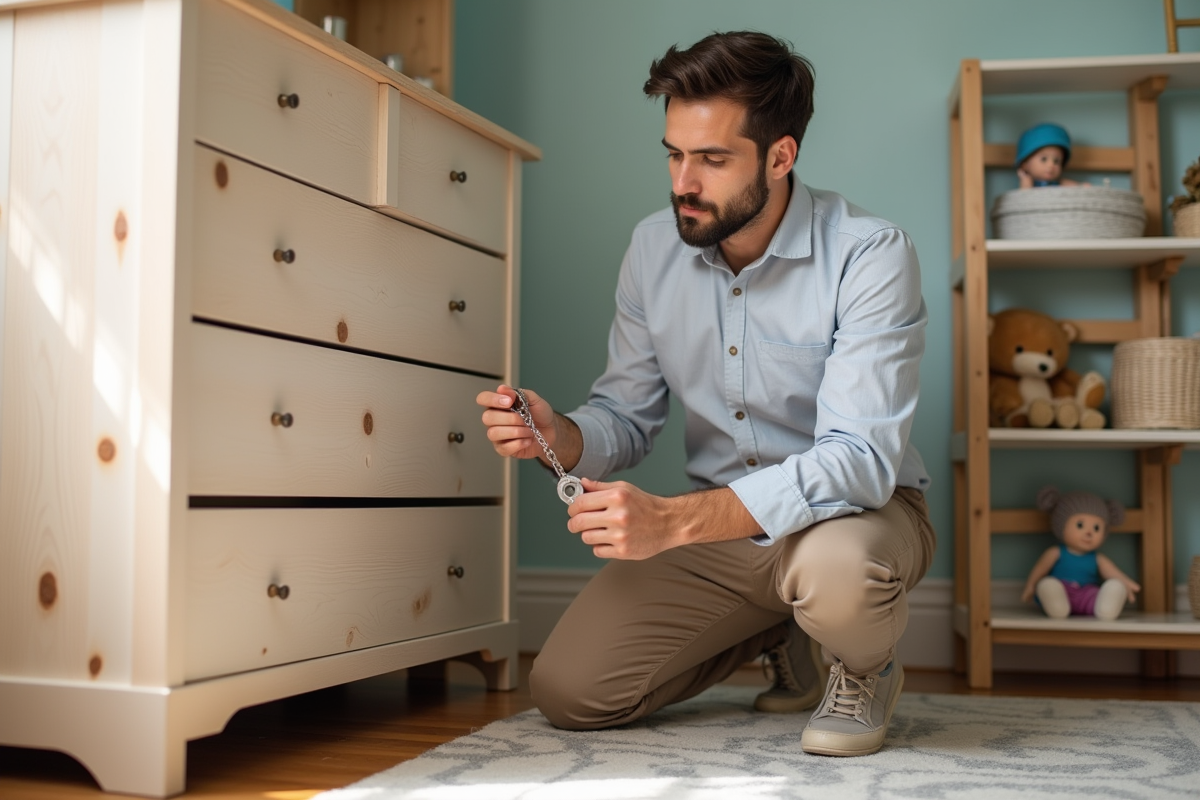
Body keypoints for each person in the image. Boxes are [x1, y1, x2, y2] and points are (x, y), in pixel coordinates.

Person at [477, 30, 934, 758]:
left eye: (713, 159)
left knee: (836, 573)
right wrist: (557, 432)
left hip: (854, 519)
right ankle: (781, 628)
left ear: (780, 156)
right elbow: (625, 417)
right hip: (721, 536)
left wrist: (672, 522)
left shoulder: (870, 254)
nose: (683, 182)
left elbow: (857, 462)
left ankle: (863, 667)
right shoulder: (652, 248)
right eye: (674, 154)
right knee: (570, 692)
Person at [1021, 486, 1139, 621]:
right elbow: (1040, 569)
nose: (1089, 533)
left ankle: (1106, 608)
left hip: (1086, 594)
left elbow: (1113, 572)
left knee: (1110, 586)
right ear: (1061, 526)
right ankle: (1057, 606)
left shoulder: (1097, 558)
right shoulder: (1056, 552)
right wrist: (1030, 586)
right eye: (1080, 525)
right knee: (1049, 585)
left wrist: (1125, 583)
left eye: (1096, 528)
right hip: (1062, 590)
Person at [1015, 122, 1081, 189]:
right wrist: (1025, 181)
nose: (1051, 165)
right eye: (1044, 159)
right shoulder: (1028, 183)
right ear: (1024, 165)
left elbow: (1077, 187)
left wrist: (1082, 187)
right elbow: (1025, 194)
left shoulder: (1060, 183)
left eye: (1056, 161)